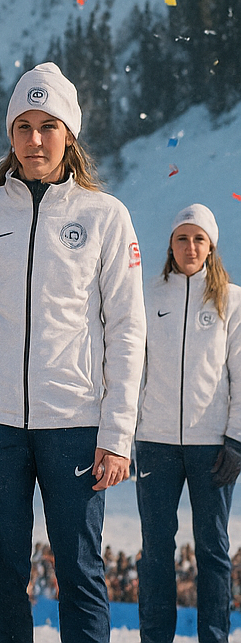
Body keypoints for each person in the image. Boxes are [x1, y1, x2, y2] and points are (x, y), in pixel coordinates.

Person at [0, 62, 145, 643]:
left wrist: (117, 435)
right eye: (23, 127)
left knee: (82, 573)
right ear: (10, 135)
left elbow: (127, 330)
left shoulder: (104, 217)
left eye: (49, 126)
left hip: (74, 424)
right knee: (5, 574)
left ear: (70, 134)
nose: (35, 140)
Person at [134, 203, 241, 643]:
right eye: (182, 237)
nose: (190, 246)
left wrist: (235, 439)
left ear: (211, 246)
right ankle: (154, 636)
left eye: (199, 239)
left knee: (213, 551)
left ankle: (214, 636)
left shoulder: (231, 300)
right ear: (171, 244)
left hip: (211, 445)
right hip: (155, 441)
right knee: (156, 551)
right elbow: (131, 367)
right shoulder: (148, 294)